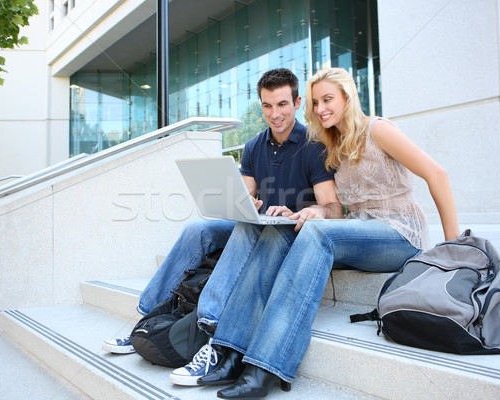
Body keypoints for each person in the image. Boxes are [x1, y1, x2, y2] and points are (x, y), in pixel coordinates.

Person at [189, 67, 460, 399]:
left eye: (328, 99)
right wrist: (310, 211)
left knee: (318, 235)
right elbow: (337, 207)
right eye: (316, 102)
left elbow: (438, 175)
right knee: (282, 232)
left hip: (399, 233)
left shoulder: (378, 130)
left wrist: (454, 250)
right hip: (358, 233)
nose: (320, 109)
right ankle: (231, 352)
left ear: (347, 96)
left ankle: (265, 367)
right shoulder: (330, 144)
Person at [102, 68, 337, 364]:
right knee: (197, 230)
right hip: (256, 225)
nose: (274, 114)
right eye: (266, 105)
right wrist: (242, 202)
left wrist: (304, 211)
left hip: (287, 232)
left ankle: (209, 323)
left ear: (298, 102)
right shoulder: (253, 147)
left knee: (245, 230)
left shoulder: (314, 146)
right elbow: (246, 197)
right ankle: (147, 318)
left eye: (282, 104)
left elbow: (333, 208)